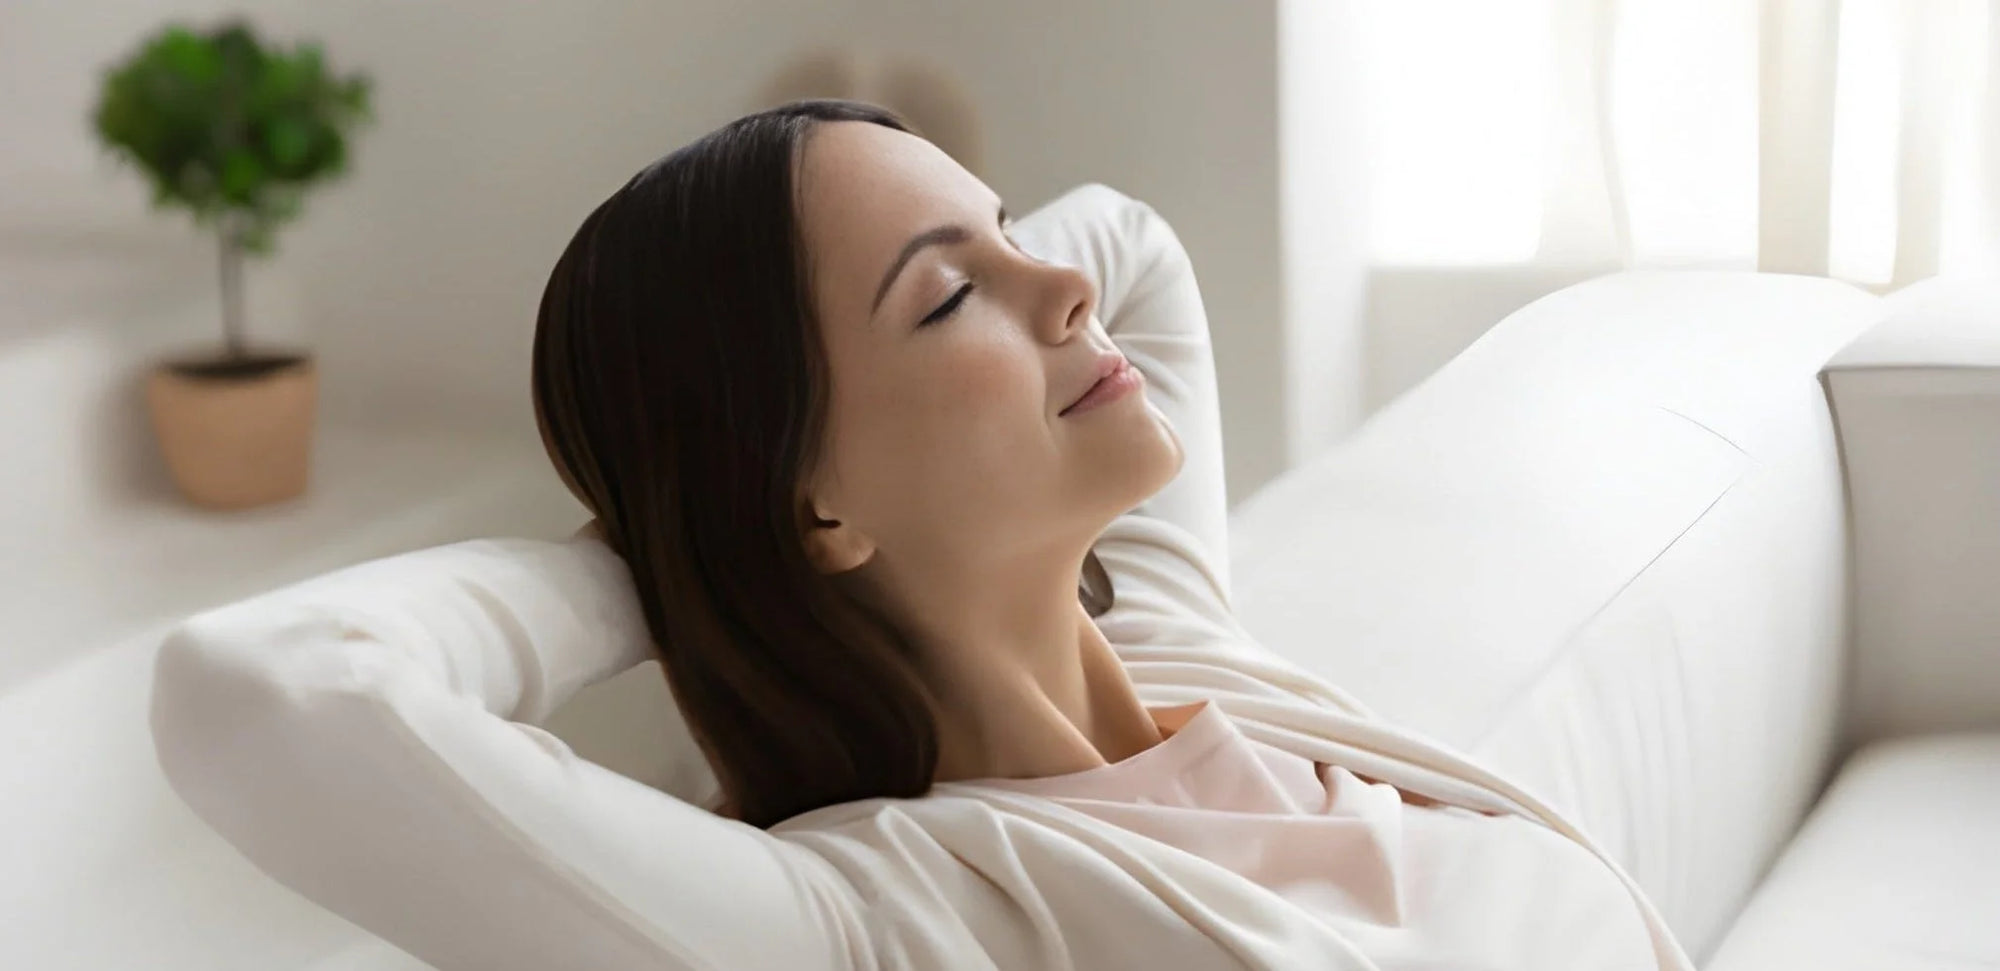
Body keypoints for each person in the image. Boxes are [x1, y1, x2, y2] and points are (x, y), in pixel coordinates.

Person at [152, 100, 1692, 969]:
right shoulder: (880, 920)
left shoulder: (1183, 645)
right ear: (812, 498)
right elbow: (262, 688)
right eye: (949, 294)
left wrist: (948, 281)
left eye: (1014, 236)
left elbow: (1132, 250)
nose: (1061, 291)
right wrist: (652, 565)